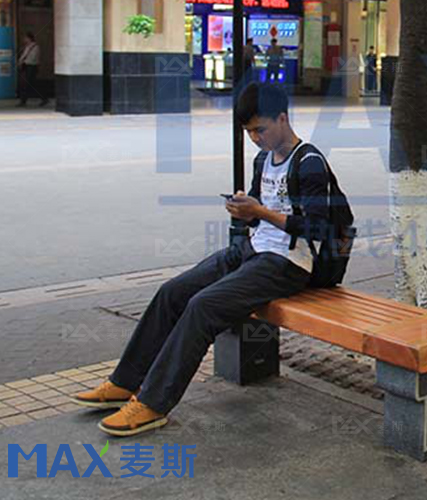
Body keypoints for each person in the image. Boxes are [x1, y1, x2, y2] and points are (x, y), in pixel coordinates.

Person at [72, 83, 354, 436]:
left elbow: (317, 228)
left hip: (289, 264)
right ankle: (124, 382)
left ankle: (153, 403)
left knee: (203, 306)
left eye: (260, 129)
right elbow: (257, 207)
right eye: (249, 131)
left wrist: (261, 212)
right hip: (252, 251)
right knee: (172, 292)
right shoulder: (263, 159)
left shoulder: (309, 162)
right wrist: (244, 210)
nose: (255, 138)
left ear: (283, 118)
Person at [17, 32, 47, 107]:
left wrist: (23, 62)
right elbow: (24, 55)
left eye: (25, 38)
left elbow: (33, 58)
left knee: (30, 84)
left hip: (31, 67)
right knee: (25, 84)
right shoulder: (27, 46)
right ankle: (24, 100)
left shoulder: (35, 47)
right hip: (26, 67)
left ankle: (43, 98)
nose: (24, 39)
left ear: (29, 38)